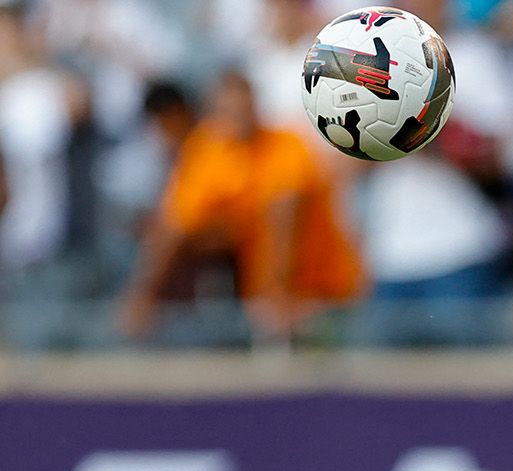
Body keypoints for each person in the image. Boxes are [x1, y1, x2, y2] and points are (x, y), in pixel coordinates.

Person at [119, 71, 365, 342]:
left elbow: (285, 218)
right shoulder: (209, 151)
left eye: (243, 110)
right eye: (227, 112)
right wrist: (142, 296)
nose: (237, 119)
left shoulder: (286, 145)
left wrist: (277, 295)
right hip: (268, 304)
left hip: (323, 292)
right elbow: (175, 224)